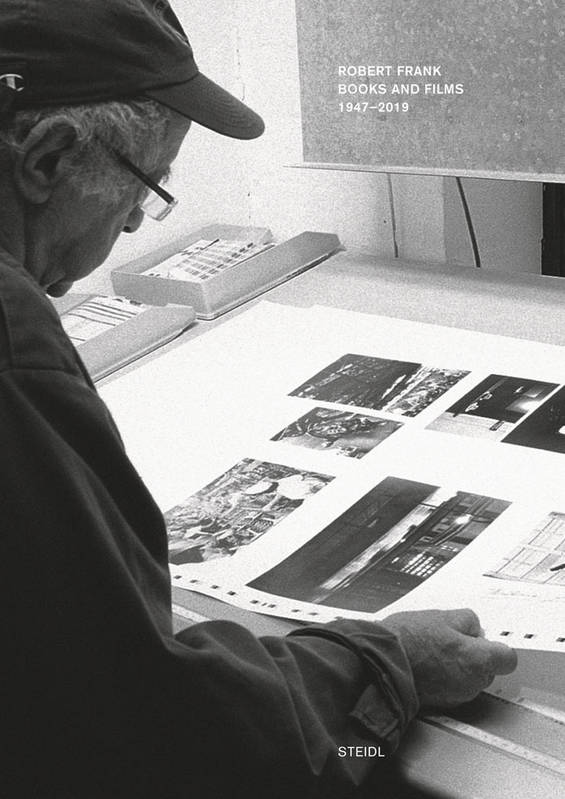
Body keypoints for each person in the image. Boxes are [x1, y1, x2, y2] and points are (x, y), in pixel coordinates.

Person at [0, 2, 517, 797]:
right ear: (45, 159)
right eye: (148, 184)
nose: (139, 216)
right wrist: (387, 663)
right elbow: (151, 726)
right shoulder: (13, 346)